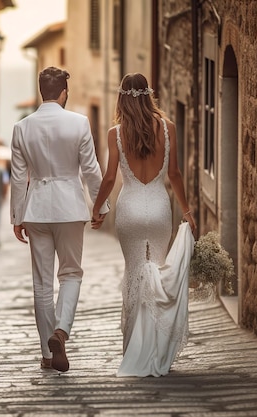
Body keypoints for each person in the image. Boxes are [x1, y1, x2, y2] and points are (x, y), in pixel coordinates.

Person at [91, 73, 197, 377]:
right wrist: (186, 210)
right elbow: (174, 174)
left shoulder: (115, 133)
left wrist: (97, 209)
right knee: (158, 273)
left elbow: (110, 178)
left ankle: (134, 350)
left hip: (130, 210)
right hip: (160, 209)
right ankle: (155, 349)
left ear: (122, 98)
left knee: (135, 273)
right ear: (149, 94)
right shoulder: (167, 128)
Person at [10, 66, 110, 372]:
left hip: (37, 209)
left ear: (42, 91)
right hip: (69, 208)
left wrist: (17, 215)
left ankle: (48, 354)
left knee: (41, 284)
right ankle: (61, 331)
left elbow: (17, 179)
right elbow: (91, 169)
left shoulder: (21, 128)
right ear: (63, 92)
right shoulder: (79, 123)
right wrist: (100, 207)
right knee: (71, 274)